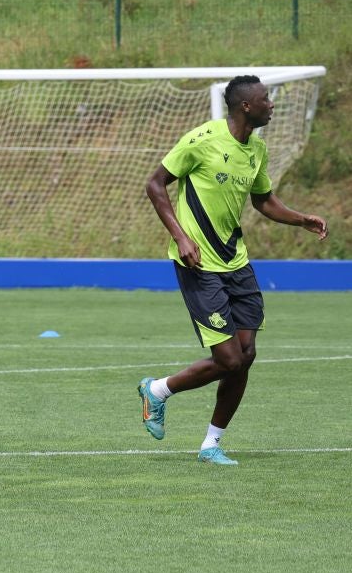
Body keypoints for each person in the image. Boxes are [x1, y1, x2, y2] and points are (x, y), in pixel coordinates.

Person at [137, 75, 327, 465]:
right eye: (266, 99)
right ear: (246, 106)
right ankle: (157, 391)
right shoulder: (202, 139)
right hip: (198, 263)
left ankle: (211, 444)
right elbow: (155, 185)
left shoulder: (256, 149)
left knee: (247, 353)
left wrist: (299, 219)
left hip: (236, 263)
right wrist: (181, 237)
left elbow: (264, 200)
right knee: (229, 359)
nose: (271, 105)